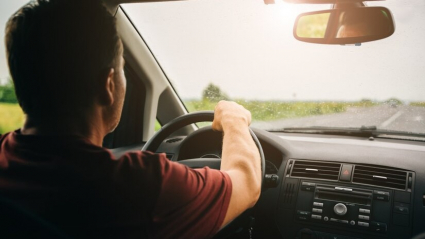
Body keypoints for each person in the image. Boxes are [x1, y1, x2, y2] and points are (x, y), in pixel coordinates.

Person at [0, 0, 261, 238]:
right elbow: (247, 184)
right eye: (123, 71)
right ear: (109, 85)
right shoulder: (139, 188)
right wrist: (234, 118)